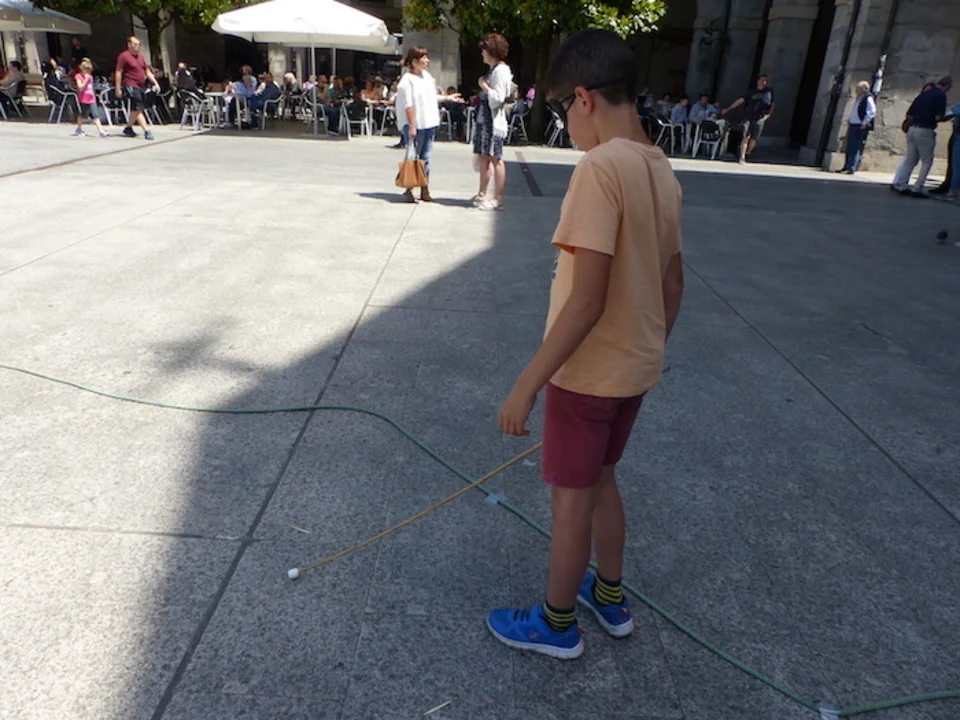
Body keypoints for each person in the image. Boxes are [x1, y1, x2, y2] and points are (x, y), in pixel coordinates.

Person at [487, 28, 684, 660]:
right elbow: (673, 283)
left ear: (583, 98)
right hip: (633, 370)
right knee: (602, 480)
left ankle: (557, 623)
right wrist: (645, 346)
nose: (566, 125)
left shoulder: (600, 167)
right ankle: (610, 595)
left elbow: (587, 300)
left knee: (570, 502)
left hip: (586, 374)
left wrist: (527, 385)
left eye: (560, 110)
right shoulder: (660, 167)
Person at [395, 46, 461, 203]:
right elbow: (408, 105)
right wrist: (412, 125)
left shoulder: (427, 76)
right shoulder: (407, 80)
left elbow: (431, 97)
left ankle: (424, 188)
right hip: (415, 123)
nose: (427, 61)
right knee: (412, 156)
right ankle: (409, 188)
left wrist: (448, 98)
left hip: (428, 122)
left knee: (426, 156)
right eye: (424, 58)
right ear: (414, 61)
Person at [472, 33, 513, 211]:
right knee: (484, 156)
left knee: (495, 158)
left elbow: (498, 97)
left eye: (484, 50)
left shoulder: (501, 71)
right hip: (485, 119)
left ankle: (498, 198)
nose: (482, 53)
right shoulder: (494, 69)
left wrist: (484, 86)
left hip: (493, 121)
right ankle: (482, 193)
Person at [892, 77, 952, 197]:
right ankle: (917, 188)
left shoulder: (923, 95)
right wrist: (949, 116)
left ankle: (902, 185)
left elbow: (909, 114)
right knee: (927, 161)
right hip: (925, 129)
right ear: (948, 86)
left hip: (912, 128)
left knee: (910, 160)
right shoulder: (941, 96)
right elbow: (938, 117)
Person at [722, 73, 775, 164]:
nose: (764, 82)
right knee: (745, 137)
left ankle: (748, 152)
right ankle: (742, 157)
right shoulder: (751, 92)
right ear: (758, 81)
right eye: (763, 80)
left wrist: (768, 115)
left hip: (759, 118)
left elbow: (772, 104)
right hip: (748, 117)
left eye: (766, 81)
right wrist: (728, 109)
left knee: (754, 139)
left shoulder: (768, 92)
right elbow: (740, 100)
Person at [115, 36, 160, 140]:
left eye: (139, 45)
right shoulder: (124, 56)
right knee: (138, 107)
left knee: (136, 108)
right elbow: (118, 71)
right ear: (129, 44)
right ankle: (147, 130)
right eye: (135, 44)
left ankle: (128, 127)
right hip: (130, 85)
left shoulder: (140, 57)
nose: (137, 47)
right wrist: (118, 88)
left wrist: (155, 83)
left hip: (141, 86)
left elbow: (147, 71)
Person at [836, 81, 876, 175]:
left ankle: (852, 167)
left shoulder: (867, 98)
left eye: (858, 89)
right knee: (849, 146)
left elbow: (872, 111)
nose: (856, 91)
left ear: (864, 89)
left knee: (855, 147)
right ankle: (847, 166)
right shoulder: (860, 98)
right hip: (853, 124)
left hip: (859, 125)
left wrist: (864, 123)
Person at [72, 58, 108, 137]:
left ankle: (101, 130)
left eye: (90, 71)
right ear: (83, 69)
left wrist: (94, 96)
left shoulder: (90, 77)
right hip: (83, 99)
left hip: (91, 99)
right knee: (83, 115)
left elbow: (91, 88)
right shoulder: (78, 76)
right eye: (87, 70)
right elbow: (80, 88)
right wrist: (85, 80)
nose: (89, 73)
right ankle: (78, 129)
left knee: (95, 114)